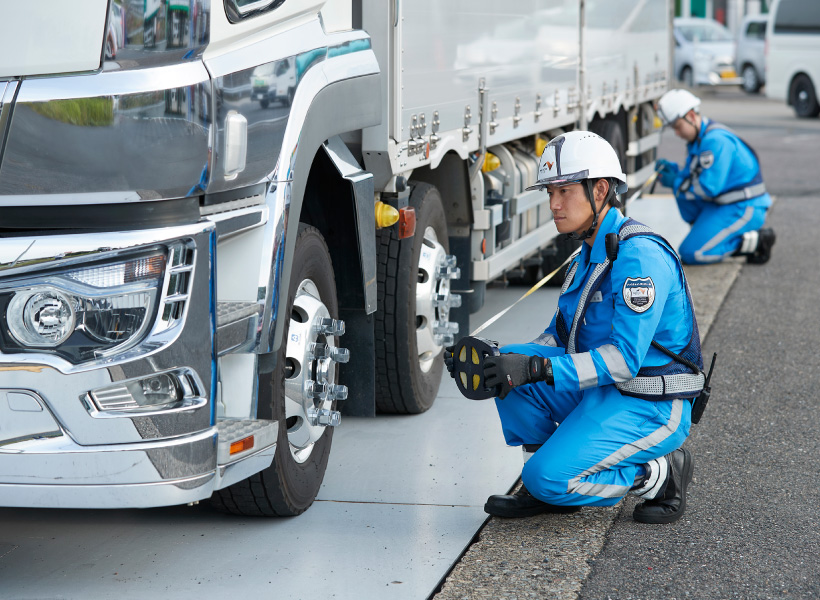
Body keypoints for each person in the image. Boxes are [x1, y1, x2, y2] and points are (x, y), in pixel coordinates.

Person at [446, 131, 706, 524]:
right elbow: (558, 338)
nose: (553, 204)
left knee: (546, 474)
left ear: (600, 189)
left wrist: (539, 369)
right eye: (550, 192)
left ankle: (659, 475)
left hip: (650, 404)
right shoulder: (587, 253)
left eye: (564, 191)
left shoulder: (639, 258)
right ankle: (548, 487)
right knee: (508, 367)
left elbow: (623, 361)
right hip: (604, 391)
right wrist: (500, 361)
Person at [655, 88, 775, 265]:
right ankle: (709, 232)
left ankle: (754, 242)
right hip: (727, 204)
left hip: (745, 208)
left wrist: (675, 181)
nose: (677, 133)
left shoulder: (715, 141)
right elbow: (694, 178)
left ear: (691, 115)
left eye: (678, 127)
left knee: (692, 253)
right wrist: (676, 172)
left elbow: (708, 188)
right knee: (682, 192)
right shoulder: (700, 138)